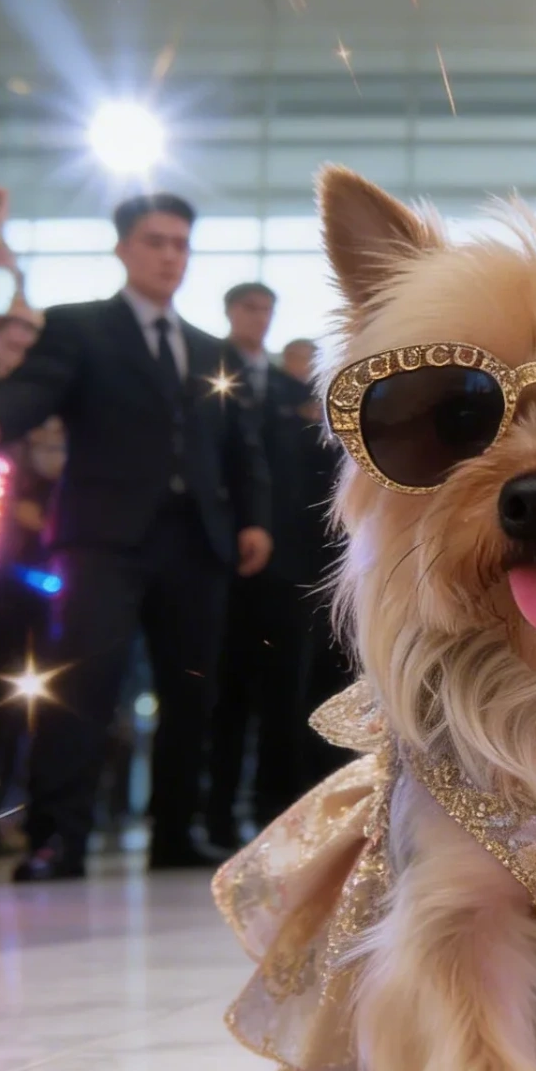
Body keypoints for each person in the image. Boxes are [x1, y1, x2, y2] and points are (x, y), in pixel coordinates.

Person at [0, 193, 273, 880]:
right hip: (101, 539)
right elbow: (35, 386)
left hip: (196, 541)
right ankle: (56, 837)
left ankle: (177, 832)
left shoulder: (211, 349)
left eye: (180, 243)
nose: (169, 255)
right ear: (124, 248)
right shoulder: (81, 327)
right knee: (80, 684)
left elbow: (240, 446)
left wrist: (253, 518)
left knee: (193, 691)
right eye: (155, 241)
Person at [205, 283, 344, 846]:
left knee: (292, 691)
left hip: (299, 567)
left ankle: (281, 809)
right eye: (249, 308)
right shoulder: (216, 377)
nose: (257, 317)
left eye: (266, 308)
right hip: (232, 559)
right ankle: (219, 812)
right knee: (231, 692)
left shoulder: (300, 399)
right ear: (230, 310)